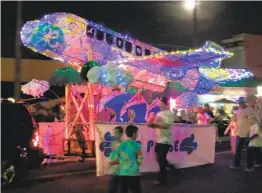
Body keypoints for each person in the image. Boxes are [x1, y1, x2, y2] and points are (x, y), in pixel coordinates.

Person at [147, 96, 174, 185]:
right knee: (159, 158)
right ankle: (169, 165)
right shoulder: (159, 113)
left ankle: (162, 180)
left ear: (164, 103)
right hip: (159, 139)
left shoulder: (169, 114)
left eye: (160, 102)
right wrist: (151, 122)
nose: (158, 104)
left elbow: (166, 126)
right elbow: (155, 124)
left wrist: (155, 125)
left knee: (161, 160)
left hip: (166, 140)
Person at [110, 125, 143, 193]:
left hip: (123, 172)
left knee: (124, 190)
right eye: (136, 133)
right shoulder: (137, 145)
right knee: (136, 190)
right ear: (133, 134)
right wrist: (136, 165)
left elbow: (117, 158)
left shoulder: (121, 145)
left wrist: (112, 163)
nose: (137, 135)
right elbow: (140, 158)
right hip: (134, 172)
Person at [230, 97, 253, 169]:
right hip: (240, 134)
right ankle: (237, 165)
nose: (239, 104)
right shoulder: (239, 110)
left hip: (247, 134)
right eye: (239, 103)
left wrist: (250, 132)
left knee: (249, 151)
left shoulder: (249, 110)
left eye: (241, 103)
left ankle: (250, 166)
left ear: (244, 102)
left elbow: (252, 122)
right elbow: (238, 120)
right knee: (238, 151)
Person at [108, 126, 123, 193]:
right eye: (114, 133)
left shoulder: (123, 145)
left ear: (121, 134)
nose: (115, 135)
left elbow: (122, 158)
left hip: (121, 171)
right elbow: (112, 156)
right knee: (112, 189)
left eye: (116, 133)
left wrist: (112, 163)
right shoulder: (113, 144)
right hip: (114, 170)